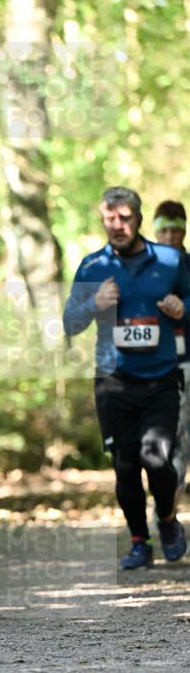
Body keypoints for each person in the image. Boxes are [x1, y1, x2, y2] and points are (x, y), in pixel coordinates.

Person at [63, 186, 190, 569]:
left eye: (124, 218)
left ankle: (167, 519)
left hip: (161, 378)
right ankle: (139, 541)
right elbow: (70, 322)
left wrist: (182, 307)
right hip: (112, 380)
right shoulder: (92, 266)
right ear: (102, 219)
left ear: (137, 218)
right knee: (124, 464)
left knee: (158, 458)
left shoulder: (169, 260)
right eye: (109, 218)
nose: (117, 226)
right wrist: (93, 303)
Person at [154, 201, 190, 503]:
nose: (168, 236)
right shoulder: (141, 267)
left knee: (181, 443)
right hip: (150, 370)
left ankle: (166, 517)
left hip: (186, 365)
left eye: (174, 231)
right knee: (156, 446)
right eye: (162, 230)